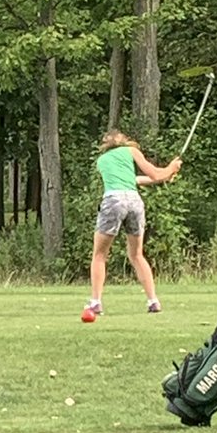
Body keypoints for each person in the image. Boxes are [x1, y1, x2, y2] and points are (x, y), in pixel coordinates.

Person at [85, 130, 182, 317]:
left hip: (113, 201)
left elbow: (146, 177)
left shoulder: (102, 161)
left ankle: (96, 302)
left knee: (99, 255)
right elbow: (152, 175)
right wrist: (171, 168)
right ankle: (153, 301)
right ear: (123, 141)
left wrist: (167, 173)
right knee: (137, 254)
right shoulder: (130, 151)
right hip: (134, 202)